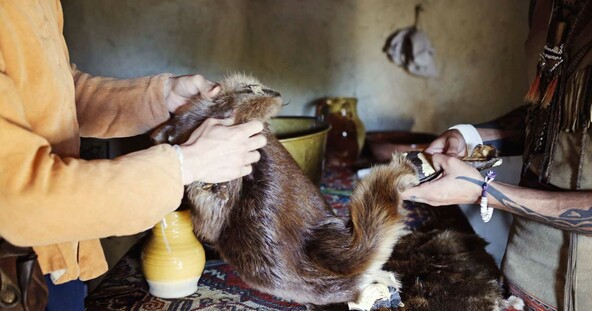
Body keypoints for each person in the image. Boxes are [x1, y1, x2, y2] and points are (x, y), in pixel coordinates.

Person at [0, 1, 266, 309]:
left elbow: (51, 89)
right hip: (16, 275)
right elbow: (21, 199)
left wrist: (160, 98)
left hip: (58, 251)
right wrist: (185, 164)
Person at [402, 0, 592, 310]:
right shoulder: (546, 5)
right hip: (523, 271)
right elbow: (554, 116)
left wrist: (485, 192)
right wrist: (470, 137)